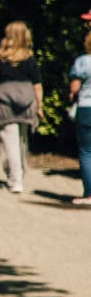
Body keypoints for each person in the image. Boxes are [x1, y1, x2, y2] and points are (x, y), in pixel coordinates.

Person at [0, 21, 43, 195]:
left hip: (4, 105)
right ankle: (20, 174)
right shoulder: (30, 59)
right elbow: (37, 85)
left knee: (9, 143)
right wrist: (39, 106)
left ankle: (15, 180)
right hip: (26, 105)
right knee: (22, 142)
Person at [70, 26, 91, 206]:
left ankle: (89, 194)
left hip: (86, 108)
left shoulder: (82, 62)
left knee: (86, 152)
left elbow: (75, 88)